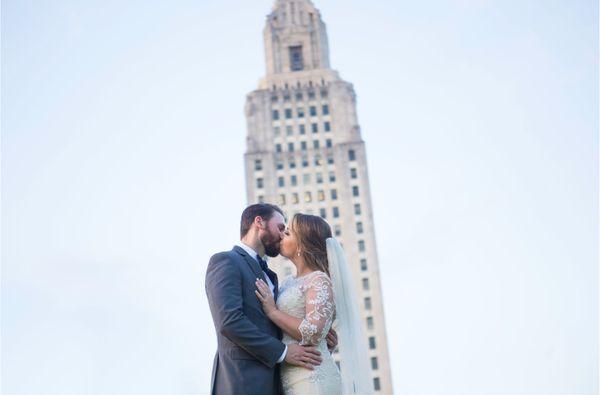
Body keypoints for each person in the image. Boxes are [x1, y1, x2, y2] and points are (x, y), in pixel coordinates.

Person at [205, 204, 337, 395]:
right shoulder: (226, 261)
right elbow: (229, 321)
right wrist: (282, 352)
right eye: (281, 227)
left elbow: (283, 322)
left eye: (287, 231)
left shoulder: (274, 277)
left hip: (282, 383)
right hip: (243, 382)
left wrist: (321, 335)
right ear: (260, 222)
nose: (283, 234)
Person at [255, 213, 373, 394]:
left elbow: (313, 332)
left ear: (302, 244)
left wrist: (273, 312)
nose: (281, 235)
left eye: (288, 233)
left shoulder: (319, 281)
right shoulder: (287, 282)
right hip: (289, 377)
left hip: (313, 379)